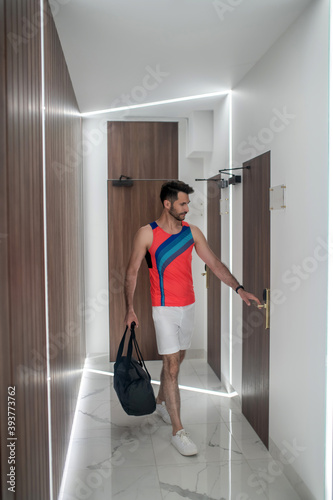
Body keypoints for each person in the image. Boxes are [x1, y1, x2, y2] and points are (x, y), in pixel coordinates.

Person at [124, 180, 260, 456]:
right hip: (163, 309)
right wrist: (130, 308)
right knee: (172, 367)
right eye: (183, 204)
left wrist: (239, 289)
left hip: (188, 306)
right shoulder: (146, 234)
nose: (187, 208)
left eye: (187, 204)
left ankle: (162, 400)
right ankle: (178, 431)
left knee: (178, 359)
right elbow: (132, 272)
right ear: (167, 204)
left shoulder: (192, 233)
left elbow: (214, 263)